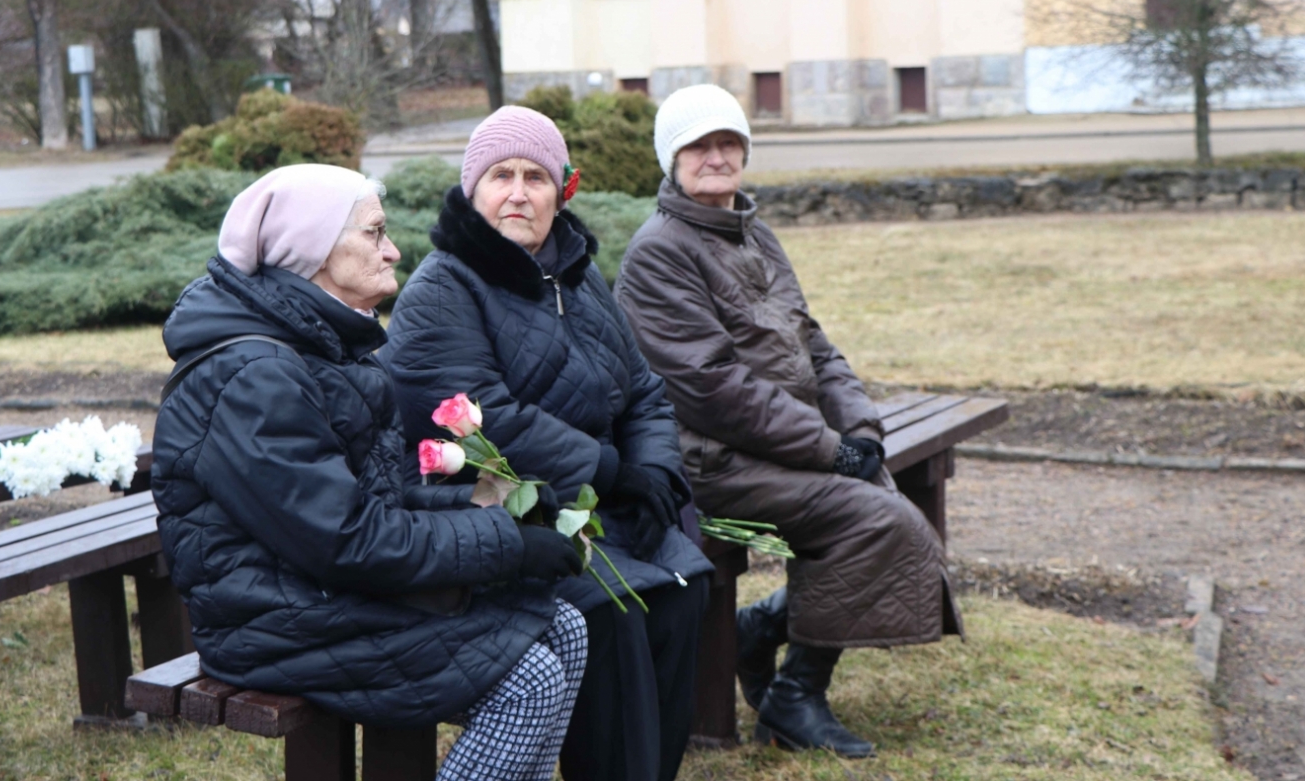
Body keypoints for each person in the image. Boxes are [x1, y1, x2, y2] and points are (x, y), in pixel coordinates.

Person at [154, 163, 587, 781]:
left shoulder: (320, 344)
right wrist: (506, 545)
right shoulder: (256, 377)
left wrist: (497, 508)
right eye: (375, 233)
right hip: (275, 620)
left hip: (324, 591)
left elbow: (374, 504)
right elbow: (348, 538)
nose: (394, 249)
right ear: (315, 252)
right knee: (529, 678)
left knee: (565, 625)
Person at [613, 84, 961, 760]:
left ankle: (760, 630)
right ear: (672, 159)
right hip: (709, 461)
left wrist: (860, 429)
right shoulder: (661, 251)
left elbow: (815, 343)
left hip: (776, 445)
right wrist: (829, 451)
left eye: (728, 142)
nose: (716, 157)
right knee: (877, 516)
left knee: (882, 494)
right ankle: (793, 696)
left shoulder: (753, 230)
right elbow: (714, 389)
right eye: (698, 146)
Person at [384, 106, 713, 781]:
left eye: (536, 176)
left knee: (685, 585)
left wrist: (654, 470)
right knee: (610, 608)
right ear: (473, 188)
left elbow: (644, 389)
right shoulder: (441, 290)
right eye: (501, 174)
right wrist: (611, 468)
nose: (518, 191)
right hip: (492, 503)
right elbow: (485, 415)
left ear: (560, 189)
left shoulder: (581, 276)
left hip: (599, 499)